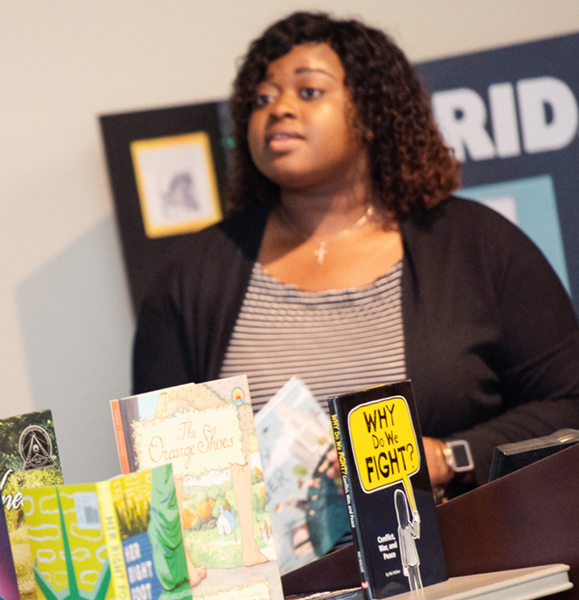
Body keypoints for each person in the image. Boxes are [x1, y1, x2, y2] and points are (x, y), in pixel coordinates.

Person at [133, 12, 579, 491]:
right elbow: (163, 470)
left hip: (463, 555)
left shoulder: (478, 244)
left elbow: (566, 403)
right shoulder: (192, 277)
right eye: (263, 98)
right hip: (278, 568)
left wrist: (448, 456)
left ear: (370, 112)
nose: (278, 108)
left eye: (308, 92)